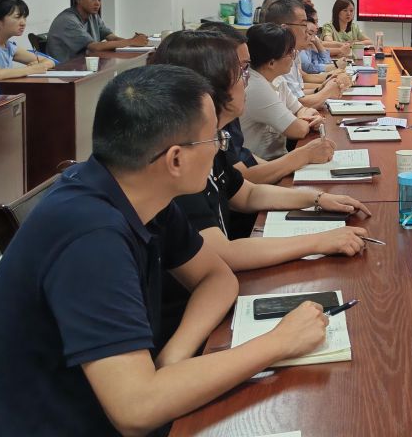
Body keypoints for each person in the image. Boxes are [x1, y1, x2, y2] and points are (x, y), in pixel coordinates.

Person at [0, 66, 331, 436]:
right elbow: (137, 410)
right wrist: (278, 343)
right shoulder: (91, 237)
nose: (219, 148)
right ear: (175, 159)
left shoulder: (141, 191)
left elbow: (216, 277)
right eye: (214, 139)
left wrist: (172, 358)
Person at [153, 31, 369, 334]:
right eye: (242, 71)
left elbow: (246, 193)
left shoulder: (211, 139)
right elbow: (224, 254)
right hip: (186, 315)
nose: (249, 81)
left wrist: (316, 198)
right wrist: (320, 241)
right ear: (208, 86)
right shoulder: (181, 161)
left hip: (212, 296)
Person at [198, 22, 336, 186]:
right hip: (270, 169)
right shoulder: (254, 87)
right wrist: (304, 155)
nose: (246, 78)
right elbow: (245, 181)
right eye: (242, 68)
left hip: (272, 167)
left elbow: (246, 175)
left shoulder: (228, 121)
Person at [242, 23, 325, 160]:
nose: (294, 56)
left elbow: (300, 109)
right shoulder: (256, 87)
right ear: (271, 63)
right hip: (265, 165)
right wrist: (307, 121)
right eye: (290, 53)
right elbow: (298, 130)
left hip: (279, 157)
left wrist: (307, 118)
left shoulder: (276, 78)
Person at [265, 0, 351, 108]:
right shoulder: (279, 60)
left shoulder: (292, 53)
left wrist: (323, 86)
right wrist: (328, 90)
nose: (307, 31)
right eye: (303, 25)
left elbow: (297, 92)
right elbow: (298, 104)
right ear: (285, 29)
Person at [46, 0, 148, 62]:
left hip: (84, 64)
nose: (97, 3)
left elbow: (111, 37)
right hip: (64, 70)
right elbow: (94, 47)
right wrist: (130, 41)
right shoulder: (68, 20)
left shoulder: (93, 16)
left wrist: (134, 41)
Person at [0, 0, 56, 79]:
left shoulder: (9, 46)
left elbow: (50, 61)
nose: (23, 23)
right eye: (17, 17)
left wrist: (40, 65)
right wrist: (32, 69)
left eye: (24, 18)